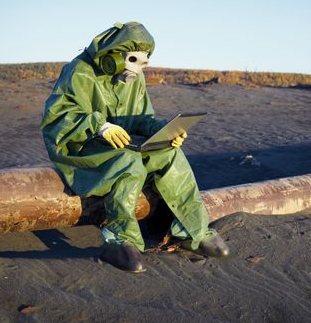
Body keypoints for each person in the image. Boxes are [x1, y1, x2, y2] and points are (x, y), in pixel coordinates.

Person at [41, 22, 229, 273]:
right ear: (113, 54)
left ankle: (193, 231)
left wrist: (163, 131)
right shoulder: (79, 71)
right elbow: (57, 118)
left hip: (122, 143)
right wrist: (100, 126)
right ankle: (118, 241)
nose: (138, 69)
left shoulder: (134, 79)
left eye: (143, 63)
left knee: (171, 155)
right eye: (133, 60)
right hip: (79, 146)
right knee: (127, 161)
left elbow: (141, 118)